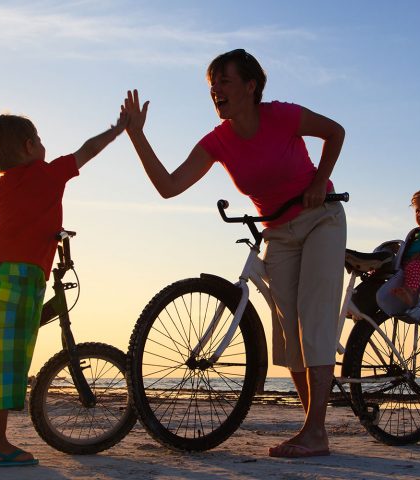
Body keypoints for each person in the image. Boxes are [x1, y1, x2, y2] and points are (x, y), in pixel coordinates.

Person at [122, 48, 346, 459]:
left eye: (224, 81)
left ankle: (315, 432)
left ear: (250, 86)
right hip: (278, 231)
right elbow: (170, 186)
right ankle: (312, 428)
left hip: (321, 219)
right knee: (289, 332)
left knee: (313, 317)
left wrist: (319, 180)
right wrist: (137, 135)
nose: (216, 91)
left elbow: (336, 132)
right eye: (212, 85)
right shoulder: (218, 141)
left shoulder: (282, 115)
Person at [0, 111, 128, 467]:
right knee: (4, 358)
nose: (44, 145)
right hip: (18, 276)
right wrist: (118, 129)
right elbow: (87, 151)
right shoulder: (46, 174)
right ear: (30, 147)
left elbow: (9, 225)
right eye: (40, 139)